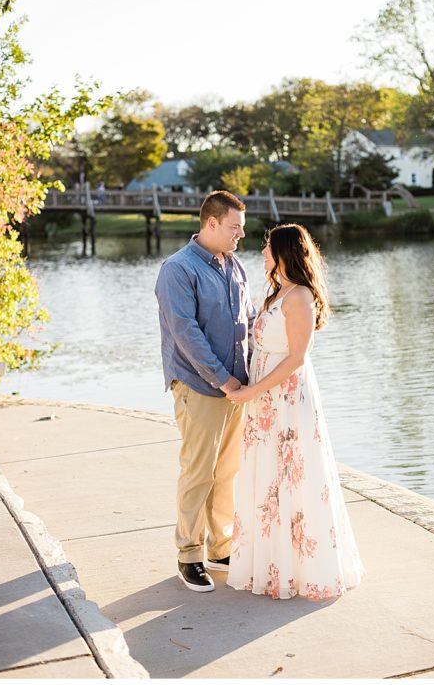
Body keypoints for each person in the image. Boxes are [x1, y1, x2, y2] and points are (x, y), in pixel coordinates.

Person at [225, 223, 364, 600]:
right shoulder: (276, 294)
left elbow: (298, 358)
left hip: (285, 399)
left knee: (291, 479)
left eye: (268, 247)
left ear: (285, 252)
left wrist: (254, 389)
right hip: (265, 402)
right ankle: (269, 564)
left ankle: (300, 569)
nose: (262, 253)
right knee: (266, 479)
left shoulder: (298, 296)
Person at [155, 190, 255, 592]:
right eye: (234, 228)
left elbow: (246, 320)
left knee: (226, 473)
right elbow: (186, 334)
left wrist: (250, 380)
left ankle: (220, 546)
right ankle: (189, 555)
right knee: (198, 473)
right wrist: (223, 379)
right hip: (199, 386)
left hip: (236, 390)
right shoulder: (177, 270)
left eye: (242, 229)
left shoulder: (234, 266)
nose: (239, 236)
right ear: (211, 223)